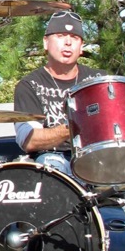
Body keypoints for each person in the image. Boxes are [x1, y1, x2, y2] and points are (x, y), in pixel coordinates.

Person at [13, 11, 101, 173]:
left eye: (74, 38)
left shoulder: (99, 80)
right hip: (55, 156)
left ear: (81, 47)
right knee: (52, 167)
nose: (68, 43)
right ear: (45, 43)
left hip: (97, 155)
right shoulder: (29, 85)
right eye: (60, 36)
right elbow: (29, 140)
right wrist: (76, 125)